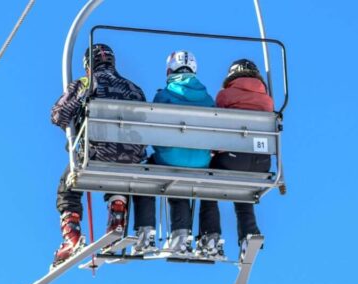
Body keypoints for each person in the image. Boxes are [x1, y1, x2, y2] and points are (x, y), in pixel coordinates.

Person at [50, 43, 147, 268]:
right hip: (130, 157)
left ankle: (71, 237)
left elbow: (58, 115)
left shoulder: (87, 83)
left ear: (88, 65)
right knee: (118, 171)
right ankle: (117, 219)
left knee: (68, 187)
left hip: (96, 153)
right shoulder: (134, 89)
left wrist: (75, 116)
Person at [196, 59, 275, 260]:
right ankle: (249, 233)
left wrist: (214, 151)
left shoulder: (225, 96)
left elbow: (219, 127)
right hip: (261, 162)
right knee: (244, 191)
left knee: (206, 184)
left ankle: (210, 235)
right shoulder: (268, 101)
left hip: (232, 157)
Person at [142, 50, 216, 256]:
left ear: (169, 70)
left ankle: (164, 233)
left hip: (171, 158)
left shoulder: (164, 95)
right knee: (202, 181)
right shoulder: (208, 99)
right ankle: (209, 237)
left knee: (154, 172)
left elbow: (152, 130)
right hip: (202, 161)